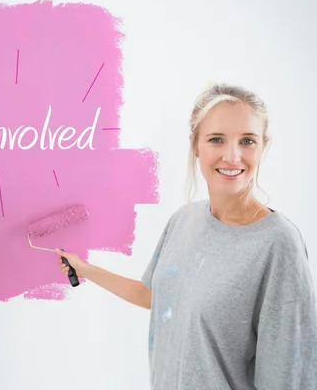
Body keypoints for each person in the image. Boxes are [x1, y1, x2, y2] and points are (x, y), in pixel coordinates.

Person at [56, 83, 317, 389]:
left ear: (263, 146)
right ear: (195, 145)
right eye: (216, 140)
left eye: (247, 141)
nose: (233, 156)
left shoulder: (277, 243)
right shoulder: (183, 220)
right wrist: (86, 269)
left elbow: (289, 374)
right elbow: (155, 295)